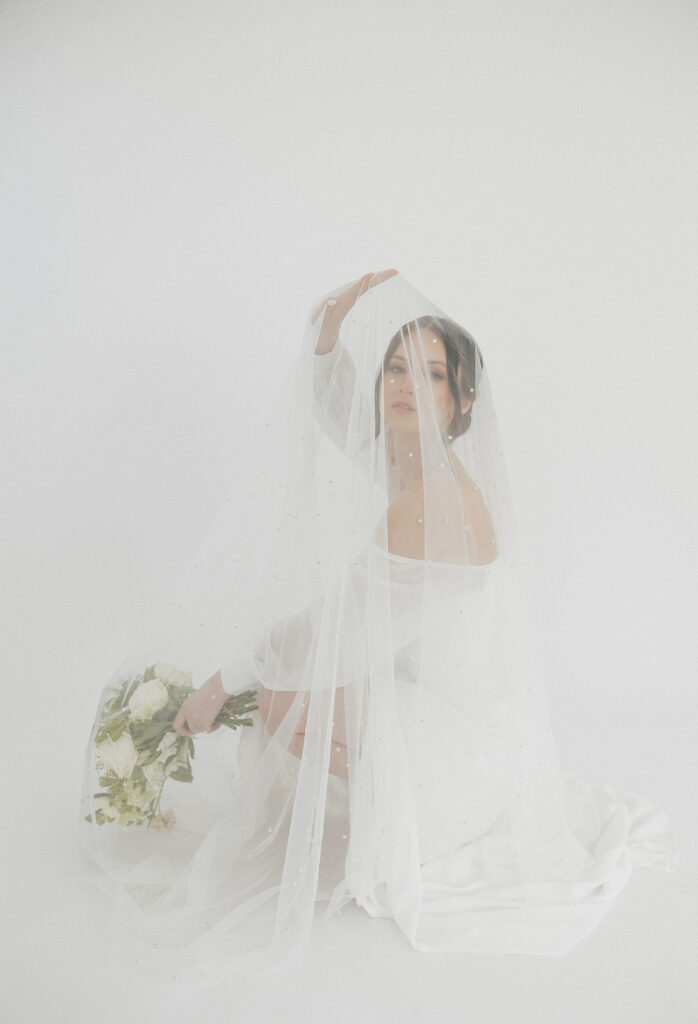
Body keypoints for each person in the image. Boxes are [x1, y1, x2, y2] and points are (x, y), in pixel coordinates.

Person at [79, 269, 678, 982]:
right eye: (395, 368)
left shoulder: (431, 504)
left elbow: (334, 625)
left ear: (460, 403)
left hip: (466, 756)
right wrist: (328, 336)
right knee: (289, 690)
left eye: (429, 376)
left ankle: (401, 828)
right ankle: (367, 813)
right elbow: (343, 418)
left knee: (280, 697)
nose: (404, 387)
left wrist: (217, 684)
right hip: (454, 721)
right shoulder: (411, 464)